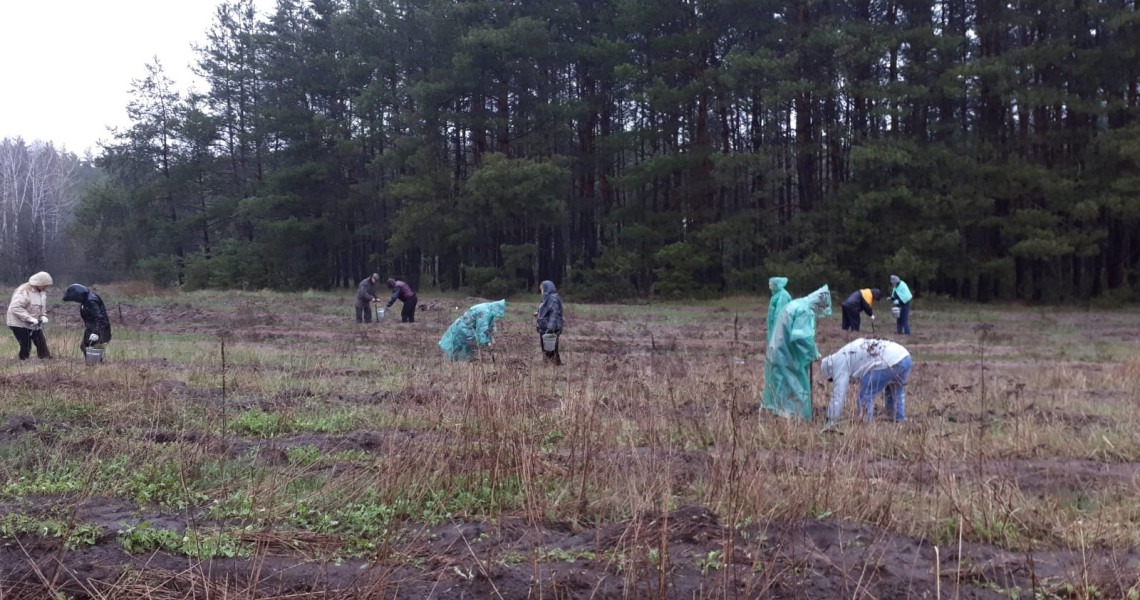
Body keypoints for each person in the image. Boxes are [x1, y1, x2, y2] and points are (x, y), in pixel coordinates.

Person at [761, 285, 831, 420]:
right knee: (795, 386)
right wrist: (814, 353)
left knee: (781, 384)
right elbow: (801, 338)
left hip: (778, 349)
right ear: (819, 304)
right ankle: (796, 417)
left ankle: (781, 414)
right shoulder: (804, 311)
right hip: (785, 354)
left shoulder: (797, 303)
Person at [821, 338, 912, 428]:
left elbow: (838, 394)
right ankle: (898, 420)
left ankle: (865, 425)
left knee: (865, 396)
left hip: (888, 361)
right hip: (905, 357)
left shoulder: (838, 365)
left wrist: (832, 418)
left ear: (830, 371)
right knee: (894, 391)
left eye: (832, 379)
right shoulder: (844, 352)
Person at [6, 271, 54, 360]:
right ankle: (24, 362)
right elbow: (15, 308)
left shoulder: (41, 292)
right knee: (26, 344)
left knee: (40, 341)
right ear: (38, 283)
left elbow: (41, 306)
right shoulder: (23, 291)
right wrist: (30, 318)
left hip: (33, 321)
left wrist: (43, 315)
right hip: (18, 322)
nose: (46, 287)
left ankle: (46, 360)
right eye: (45, 285)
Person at [439, 300, 507, 361]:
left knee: (467, 346)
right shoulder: (485, 312)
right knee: (461, 345)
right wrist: (488, 342)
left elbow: (491, 326)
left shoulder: (489, 310)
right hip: (464, 328)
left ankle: (463, 361)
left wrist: (492, 339)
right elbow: (482, 330)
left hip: (466, 327)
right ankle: (456, 361)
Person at [62, 284, 112, 354]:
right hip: (91, 327)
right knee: (86, 347)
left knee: (92, 348)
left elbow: (99, 318)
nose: (76, 301)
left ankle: (95, 363)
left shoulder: (90, 301)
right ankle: (92, 362)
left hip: (98, 328)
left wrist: (96, 332)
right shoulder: (86, 299)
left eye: (75, 299)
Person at [535, 280, 563, 365]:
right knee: (548, 347)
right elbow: (546, 311)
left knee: (550, 347)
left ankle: (551, 365)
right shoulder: (547, 298)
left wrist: (550, 327)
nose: (541, 291)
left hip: (549, 328)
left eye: (542, 289)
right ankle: (551, 363)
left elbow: (554, 313)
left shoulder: (552, 298)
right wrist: (539, 314)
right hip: (545, 327)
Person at [766, 277, 791, 345]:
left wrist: (777, 326)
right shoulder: (777, 294)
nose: (770, 287)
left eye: (771, 285)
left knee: (779, 344)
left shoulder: (783, 295)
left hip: (779, 325)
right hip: (774, 325)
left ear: (777, 285)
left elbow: (779, 312)